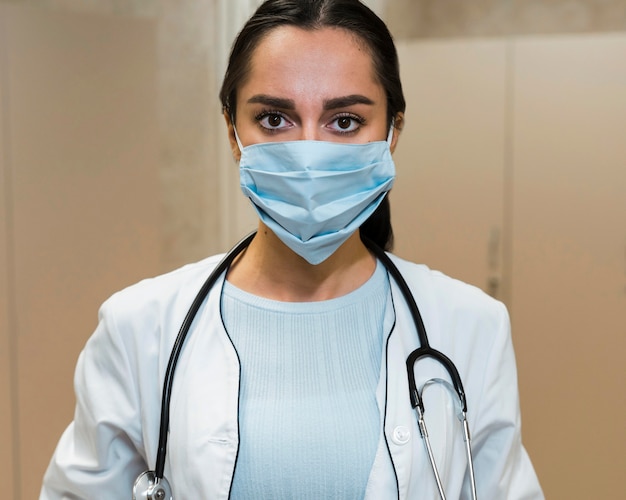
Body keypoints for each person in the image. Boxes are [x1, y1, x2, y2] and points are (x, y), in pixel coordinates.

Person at [41, 0, 543, 498]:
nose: (308, 152)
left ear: (392, 133)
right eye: (275, 119)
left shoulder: (471, 326)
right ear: (234, 134)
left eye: (344, 121)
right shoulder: (140, 329)